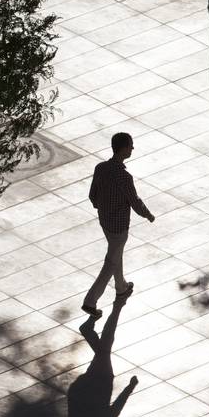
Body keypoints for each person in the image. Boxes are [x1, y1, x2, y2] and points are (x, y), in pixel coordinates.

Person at [81, 132, 154, 320]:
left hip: (105, 222)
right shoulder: (124, 177)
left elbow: (92, 195)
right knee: (110, 262)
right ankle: (90, 301)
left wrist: (103, 208)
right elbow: (135, 202)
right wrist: (148, 214)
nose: (132, 148)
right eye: (130, 145)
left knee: (115, 254)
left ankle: (121, 287)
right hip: (119, 227)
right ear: (122, 148)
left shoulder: (101, 168)